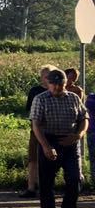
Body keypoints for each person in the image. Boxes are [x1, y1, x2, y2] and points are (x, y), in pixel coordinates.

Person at [30, 68, 87, 208]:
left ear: (65, 83)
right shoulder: (40, 99)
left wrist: (78, 135)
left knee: (75, 177)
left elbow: (84, 118)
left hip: (70, 141)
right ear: (48, 84)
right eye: (53, 85)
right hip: (48, 139)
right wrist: (46, 146)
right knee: (47, 180)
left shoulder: (74, 98)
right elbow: (36, 125)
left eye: (60, 85)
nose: (56, 88)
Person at [26, 66, 59, 196]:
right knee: (33, 158)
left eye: (49, 76)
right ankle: (31, 187)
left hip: (53, 131)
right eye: (45, 76)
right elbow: (30, 111)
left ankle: (47, 187)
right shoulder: (35, 91)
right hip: (36, 129)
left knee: (52, 159)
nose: (47, 79)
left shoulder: (58, 90)